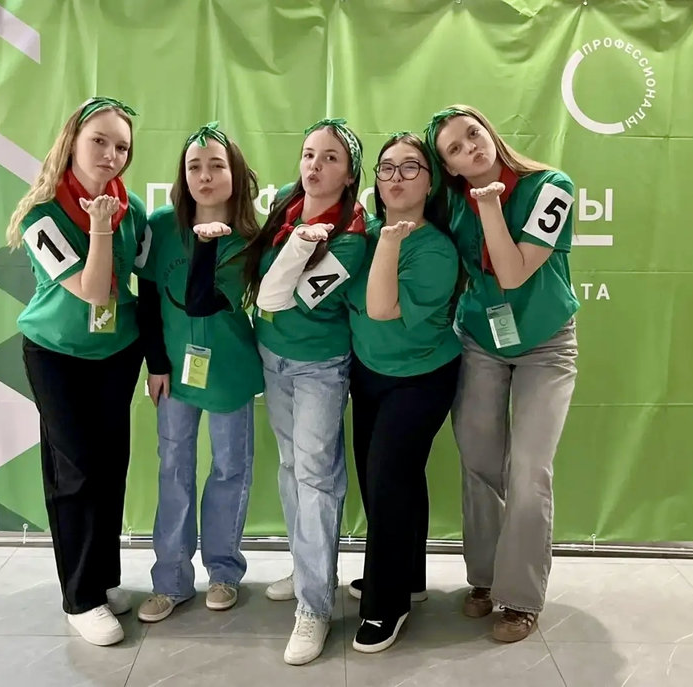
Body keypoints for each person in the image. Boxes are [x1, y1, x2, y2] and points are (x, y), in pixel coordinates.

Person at [425, 104, 579, 642]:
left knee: (529, 469)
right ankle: (486, 579)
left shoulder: (551, 186)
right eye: (455, 149)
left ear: (490, 130)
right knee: (479, 459)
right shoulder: (452, 204)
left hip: (546, 344)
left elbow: (512, 273)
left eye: (474, 134)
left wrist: (489, 203)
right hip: (482, 339)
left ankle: (521, 599)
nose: (471, 147)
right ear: (449, 167)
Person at [6, 97, 147, 646]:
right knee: (76, 471)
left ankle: (102, 579)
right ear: (72, 142)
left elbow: (143, 281)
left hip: (117, 353)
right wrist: (101, 227)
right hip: (57, 355)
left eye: (122, 147)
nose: (111, 154)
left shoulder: (132, 207)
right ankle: (80, 597)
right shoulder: (43, 214)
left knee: (110, 467)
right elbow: (91, 292)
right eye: (100, 141)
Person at [243, 117, 367, 665]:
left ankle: (314, 606)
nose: (315, 166)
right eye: (309, 154)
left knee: (316, 477)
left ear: (349, 175)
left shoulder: (354, 237)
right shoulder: (285, 208)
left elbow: (275, 297)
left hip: (320, 367)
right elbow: (260, 286)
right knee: (292, 467)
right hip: (273, 358)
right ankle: (307, 568)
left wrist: (297, 246)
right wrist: (294, 238)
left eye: (330, 158)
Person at [135, 122, 263, 623]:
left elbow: (204, 301)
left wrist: (210, 244)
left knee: (230, 468)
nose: (205, 176)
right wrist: (156, 363)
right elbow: (148, 298)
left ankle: (224, 571)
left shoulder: (251, 237)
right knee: (174, 467)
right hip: (174, 372)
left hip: (230, 369)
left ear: (235, 174)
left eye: (216, 166)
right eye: (194, 167)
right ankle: (170, 580)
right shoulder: (162, 225)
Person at [345, 132, 463, 653]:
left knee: (388, 481)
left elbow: (381, 308)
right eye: (386, 167)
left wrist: (390, 241)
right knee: (390, 479)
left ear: (430, 181)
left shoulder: (436, 249)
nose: (396, 177)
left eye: (411, 167)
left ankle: (385, 605)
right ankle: (408, 577)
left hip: (421, 377)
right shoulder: (362, 231)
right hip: (368, 373)